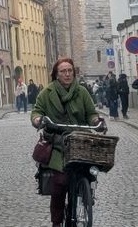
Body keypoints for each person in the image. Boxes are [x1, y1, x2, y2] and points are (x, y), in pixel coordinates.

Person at [31, 57, 105, 227]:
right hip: (58, 142)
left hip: (80, 141)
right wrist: (38, 120)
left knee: (88, 172)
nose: (67, 74)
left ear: (74, 72)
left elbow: (91, 113)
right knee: (60, 182)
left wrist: (95, 122)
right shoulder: (47, 93)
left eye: (70, 70)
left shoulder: (82, 92)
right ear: (56, 74)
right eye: (63, 71)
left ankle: (85, 193)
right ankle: (56, 222)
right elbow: (36, 112)